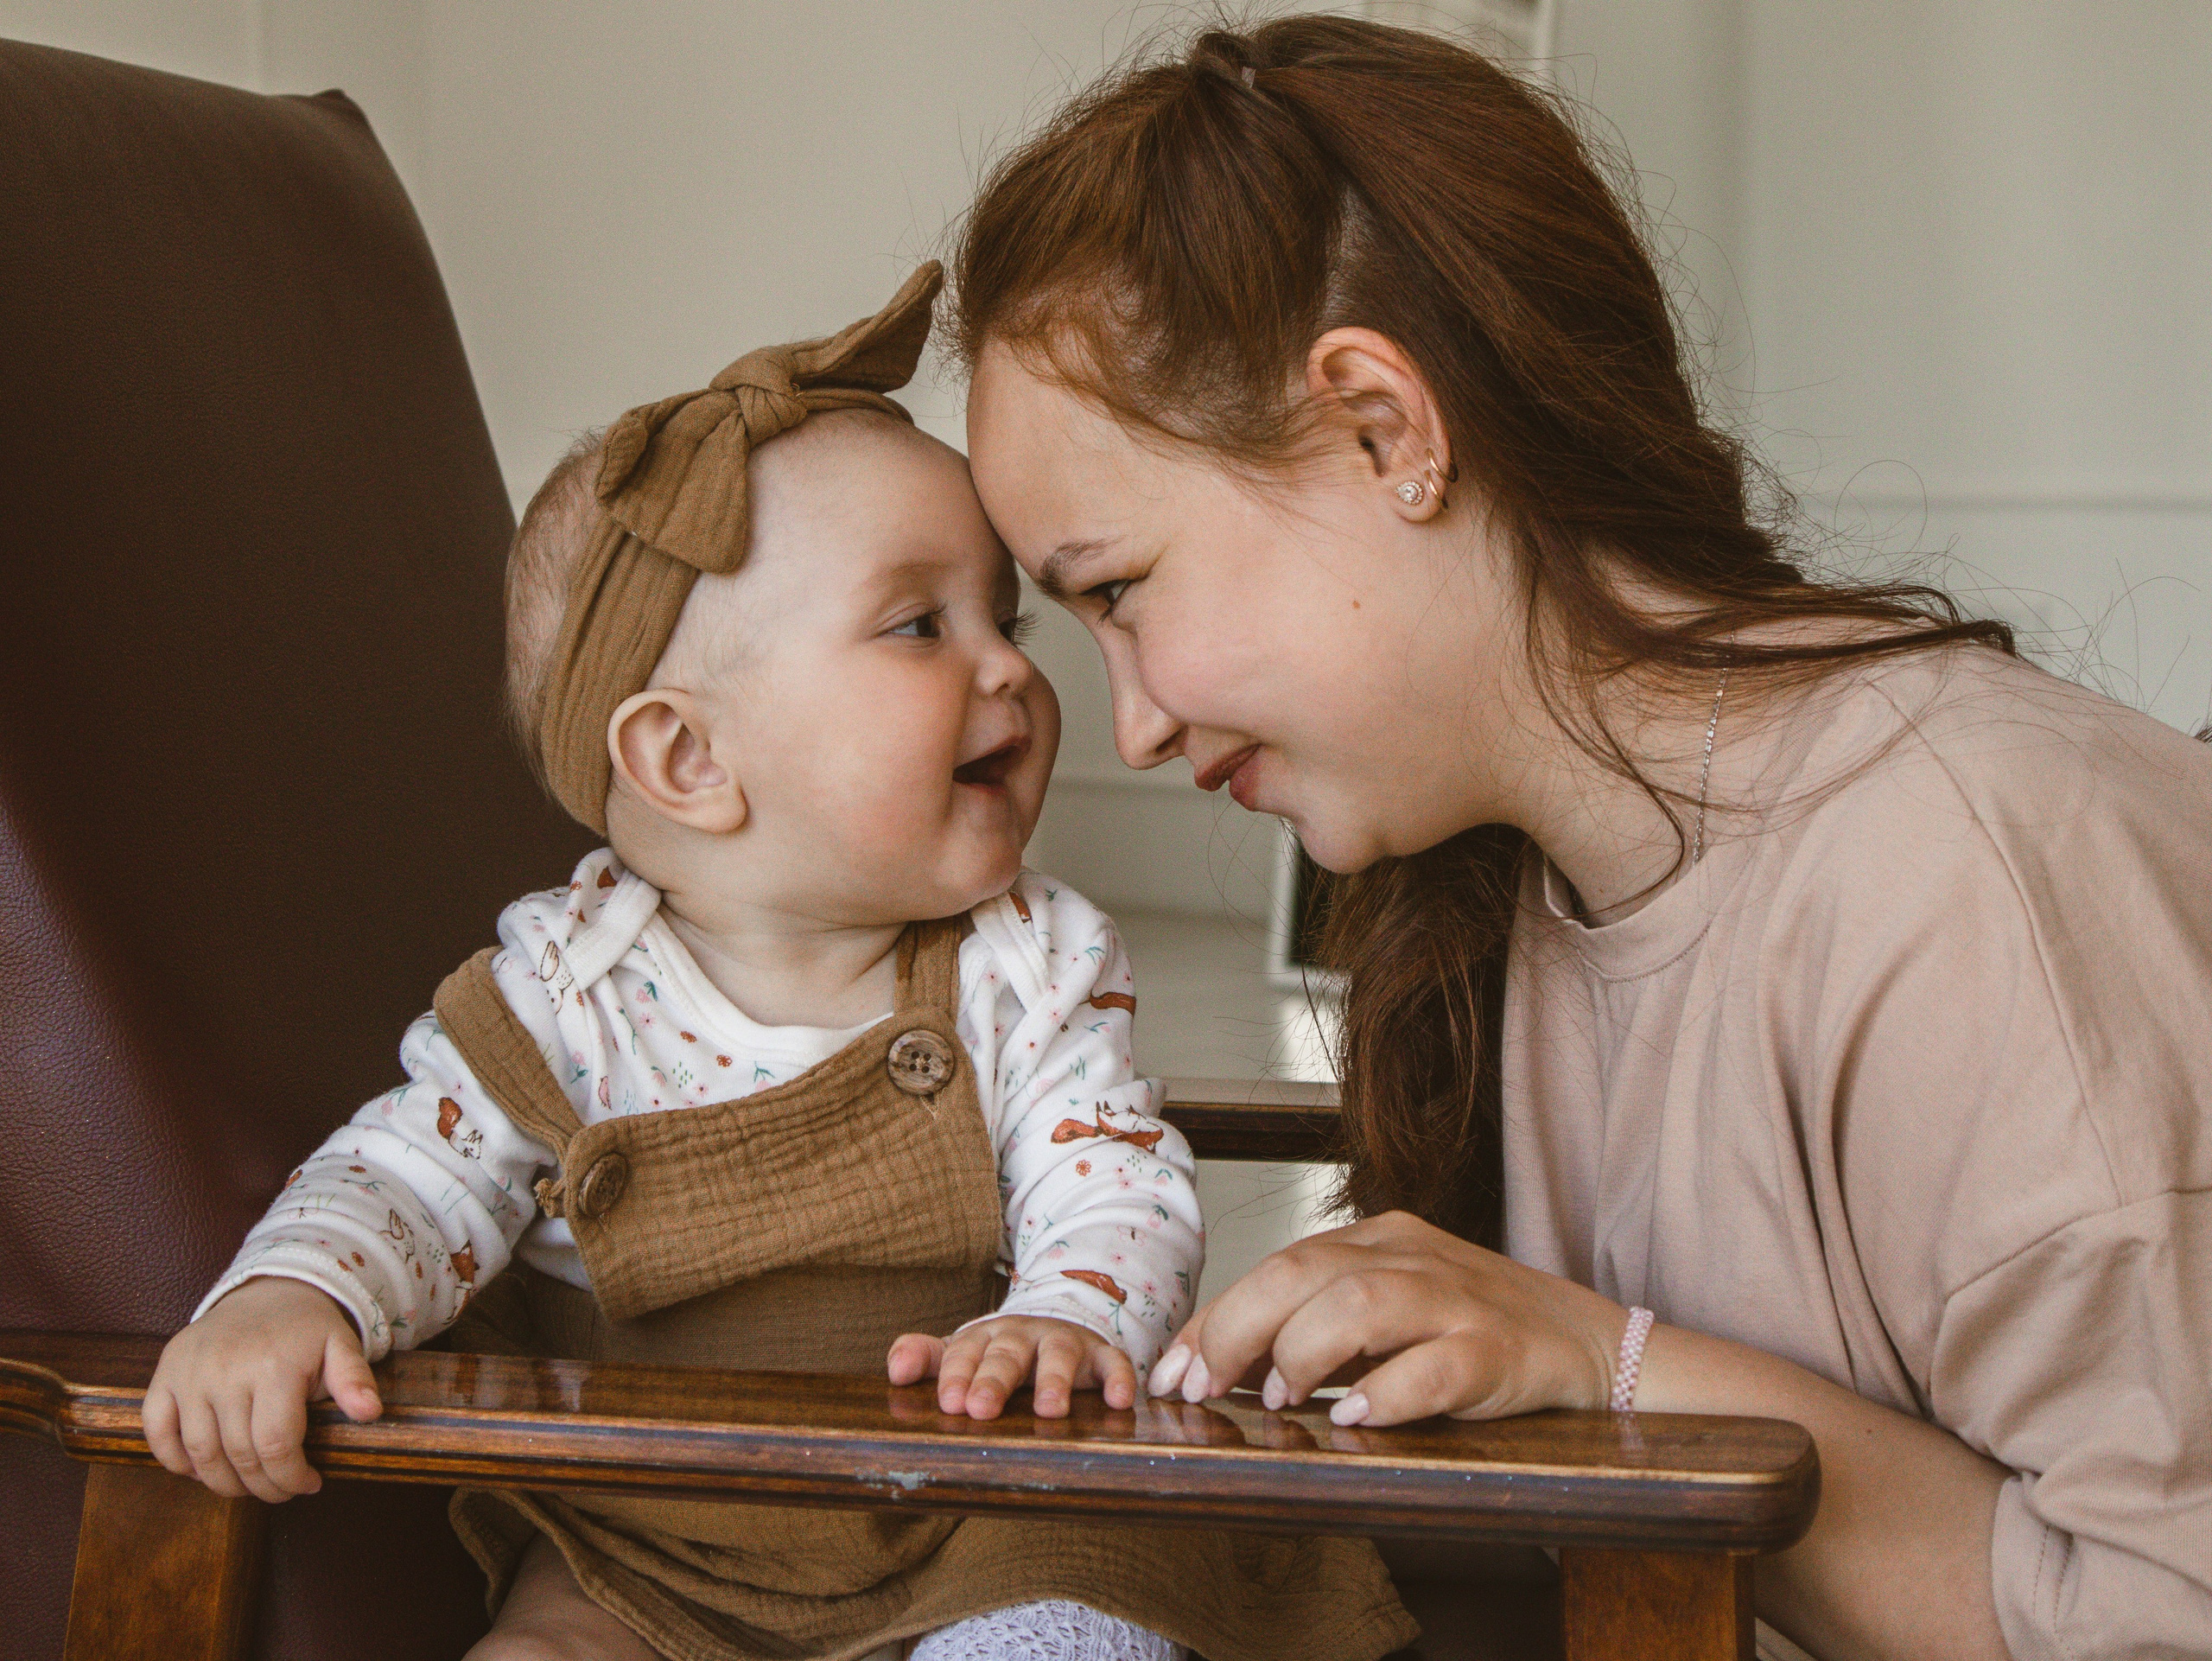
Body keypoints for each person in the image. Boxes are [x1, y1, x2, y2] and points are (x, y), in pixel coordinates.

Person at [954, 17, 2211, 1661]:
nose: (1132, 727)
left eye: (1118, 591)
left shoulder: (1975, 868)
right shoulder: (1517, 896)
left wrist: (1610, 1367)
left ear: (1384, 428)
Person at [143, 267, 1414, 1661]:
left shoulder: (1025, 960)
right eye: (921, 624)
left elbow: (1114, 1178)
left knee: (1077, 1624)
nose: (1010, 672)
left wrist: (1062, 1313)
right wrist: (295, 1292)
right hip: (650, 1540)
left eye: (1009, 618)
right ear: (687, 758)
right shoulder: (565, 992)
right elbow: (403, 1177)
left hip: (979, 1502)